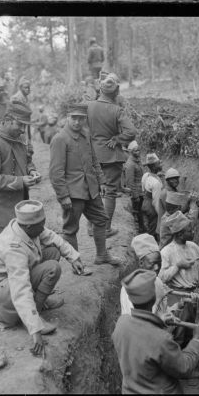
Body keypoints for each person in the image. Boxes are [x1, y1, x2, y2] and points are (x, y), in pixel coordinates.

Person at [0, 200, 86, 356]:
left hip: (11, 282)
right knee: (52, 268)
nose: (44, 226)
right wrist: (35, 329)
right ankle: (34, 315)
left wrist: (74, 257)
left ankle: (40, 300)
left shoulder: (26, 227)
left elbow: (53, 237)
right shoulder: (13, 247)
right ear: (29, 226)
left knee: (53, 251)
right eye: (41, 224)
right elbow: (20, 288)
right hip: (3, 290)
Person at [112, 268, 199, 394]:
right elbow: (184, 367)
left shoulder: (121, 323)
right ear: (154, 297)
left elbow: (142, 336)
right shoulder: (160, 339)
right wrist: (197, 339)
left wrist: (178, 306)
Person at [49, 103, 121, 266]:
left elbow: (94, 160)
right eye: (74, 118)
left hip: (91, 189)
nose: (77, 122)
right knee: (70, 229)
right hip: (73, 193)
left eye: (81, 119)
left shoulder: (86, 135)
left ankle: (102, 255)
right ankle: (77, 263)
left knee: (101, 220)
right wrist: (63, 196)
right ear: (67, 118)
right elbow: (55, 173)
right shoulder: (60, 139)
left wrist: (101, 181)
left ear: (85, 119)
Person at [0, 101, 41, 243]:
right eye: (20, 125)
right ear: (7, 121)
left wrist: (31, 171)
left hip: (18, 205)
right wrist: (20, 181)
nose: (23, 130)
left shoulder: (20, 138)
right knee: (2, 250)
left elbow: (27, 159)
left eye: (25, 126)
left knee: (19, 247)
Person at [86, 74, 137, 236]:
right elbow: (131, 132)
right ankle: (104, 229)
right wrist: (117, 138)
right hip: (110, 156)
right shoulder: (116, 110)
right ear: (115, 91)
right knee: (110, 193)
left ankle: (91, 228)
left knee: (93, 191)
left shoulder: (89, 106)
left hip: (92, 155)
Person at [159, 211, 199, 347]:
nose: (193, 232)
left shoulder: (193, 247)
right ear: (179, 234)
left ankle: (190, 353)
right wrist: (178, 266)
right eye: (189, 230)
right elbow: (161, 278)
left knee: (192, 328)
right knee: (179, 330)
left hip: (196, 295)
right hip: (179, 298)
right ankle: (179, 356)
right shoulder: (167, 252)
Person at [119, 233, 171, 317]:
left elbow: (163, 311)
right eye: (152, 263)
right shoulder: (130, 289)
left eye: (159, 263)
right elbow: (137, 322)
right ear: (141, 263)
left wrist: (178, 306)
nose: (157, 267)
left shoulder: (157, 281)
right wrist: (158, 300)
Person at [141, 152, 164, 240]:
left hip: (145, 203)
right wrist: (161, 217)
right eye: (159, 163)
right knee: (152, 231)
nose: (161, 164)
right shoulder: (156, 183)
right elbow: (155, 202)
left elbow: (144, 188)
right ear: (154, 166)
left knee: (146, 227)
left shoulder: (146, 175)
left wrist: (157, 176)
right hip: (152, 209)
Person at [124, 140, 145, 232]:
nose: (138, 152)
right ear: (131, 152)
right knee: (137, 211)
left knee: (140, 210)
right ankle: (139, 229)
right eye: (136, 151)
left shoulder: (138, 161)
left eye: (139, 150)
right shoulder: (130, 164)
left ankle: (142, 227)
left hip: (140, 190)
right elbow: (129, 181)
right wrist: (135, 195)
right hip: (136, 191)